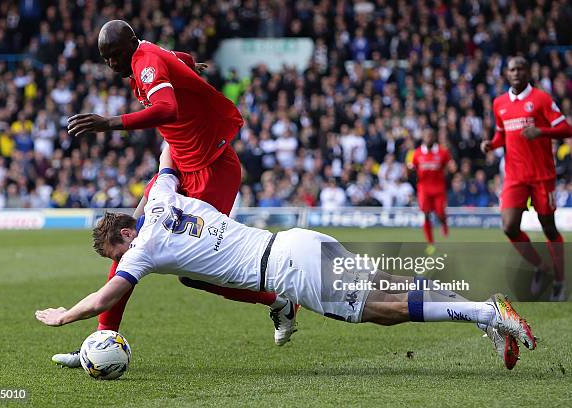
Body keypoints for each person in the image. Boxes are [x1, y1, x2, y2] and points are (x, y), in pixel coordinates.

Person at [36, 150, 538, 371]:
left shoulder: (144, 248)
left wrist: (65, 315)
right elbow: (168, 157)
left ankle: (486, 314)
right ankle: (481, 306)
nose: (119, 260)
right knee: (387, 281)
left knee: (386, 309)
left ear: (127, 234)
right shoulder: (167, 198)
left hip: (287, 273)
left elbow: (108, 294)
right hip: (297, 240)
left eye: (115, 251)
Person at [53, 20, 292, 368]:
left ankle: (278, 301)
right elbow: (177, 56)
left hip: (211, 168)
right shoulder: (147, 54)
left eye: (114, 57)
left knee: (196, 275)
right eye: (105, 59)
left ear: (129, 46)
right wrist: (188, 67)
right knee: (129, 239)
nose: (111, 66)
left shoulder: (145, 63)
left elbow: (167, 109)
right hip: (181, 160)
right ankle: (100, 339)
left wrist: (110, 123)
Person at [481, 56, 572, 301]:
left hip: (542, 175)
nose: (517, 72)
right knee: (509, 226)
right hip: (515, 176)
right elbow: (502, 134)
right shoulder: (499, 103)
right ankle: (541, 267)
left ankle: (560, 282)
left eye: (521, 68)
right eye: (512, 69)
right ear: (506, 73)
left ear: (529, 71)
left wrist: (541, 131)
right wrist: (491, 144)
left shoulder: (541, 99)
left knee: (549, 227)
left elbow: (566, 129)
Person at [410, 128, 453, 253]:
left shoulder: (442, 152)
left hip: (439, 188)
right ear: (423, 137)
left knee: (440, 213)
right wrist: (408, 169)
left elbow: (449, 164)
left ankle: (444, 223)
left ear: (434, 138)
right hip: (424, 189)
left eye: (430, 135)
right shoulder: (417, 153)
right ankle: (430, 244)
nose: (428, 138)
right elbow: (412, 169)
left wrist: (451, 167)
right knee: (426, 215)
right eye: (426, 135)